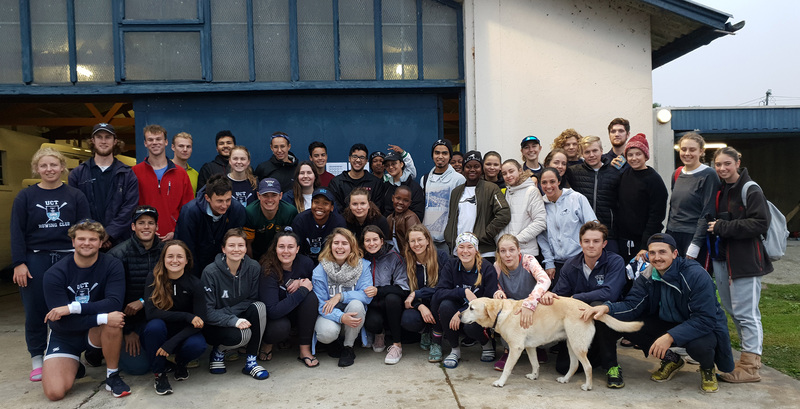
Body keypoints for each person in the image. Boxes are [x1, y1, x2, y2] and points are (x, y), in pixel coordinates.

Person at [580, 233, 735, 393]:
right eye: (652, 253)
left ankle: (707, 368)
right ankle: (671, 359)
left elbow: (705, 319)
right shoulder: (647, 275)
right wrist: (607, 308)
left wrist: (670, 337)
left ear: (674, 254)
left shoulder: (696, 275)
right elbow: (633, 305)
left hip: (697, 325)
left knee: (700, 347)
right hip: (665, 321)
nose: (657, 257)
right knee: (613, 321)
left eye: (662, 252)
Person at [11, 147, 90, 382]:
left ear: (62, 168)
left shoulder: (75, 196)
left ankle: (69, 355)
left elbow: (85, 228)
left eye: (53, 165)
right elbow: (16, 231)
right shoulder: (25, 197)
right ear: (36, 169)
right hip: (36, 258)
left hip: (69, 258)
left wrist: (84, 259)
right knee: (35, 310)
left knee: (70, 308)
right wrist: (19, 263)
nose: (49, 169)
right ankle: (37, 359)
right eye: (43, 166)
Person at [41, 221, 128, 400]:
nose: (86, 243)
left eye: (92, 239)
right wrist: (101, 317)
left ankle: (112, 376)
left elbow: (114, 303)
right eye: (81, 238)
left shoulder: (112, 264)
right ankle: (74, 364)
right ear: (73, 241)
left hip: (94, 332)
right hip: (65, 334)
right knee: (54, 393)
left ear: (101, 242)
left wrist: (72, 308)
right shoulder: (54, 273)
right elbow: (61, 322)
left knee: (114, 320)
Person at [707, 147, 772, 383]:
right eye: (718, 165)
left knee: (747, 314)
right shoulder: (723, 189)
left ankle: (750, 367)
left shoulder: (750, 189)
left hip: (745, 261)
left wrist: (722, 227)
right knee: (734, 310)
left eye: (727, 164)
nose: (722, 169)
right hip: (724, 260)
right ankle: (744, 360)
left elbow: (760, 222)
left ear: (737, 163)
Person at [539, 222, 627, 388]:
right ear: (580, 243)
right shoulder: (570, 265)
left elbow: (610, 293)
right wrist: (550, 295)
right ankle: (598, 353)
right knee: (563, 367)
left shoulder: (615, 261)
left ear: (604, 243)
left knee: (597, 305)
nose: (591, 245)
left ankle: (612, 365)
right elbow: (560, 295)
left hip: (607, 319)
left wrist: (575, 297)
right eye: (586, 241)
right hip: (580, 322)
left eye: (596, 241)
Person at [141, 240, 207, 395]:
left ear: (187, 260)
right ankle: (160, 374)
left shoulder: (195, 284)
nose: (175, 260)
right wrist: (186, 316)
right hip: (159, 333)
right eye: (170, 256)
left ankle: (180, 363)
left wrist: (171, 344)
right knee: (154, 326)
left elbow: (201, 320)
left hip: (183, 334)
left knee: (198, 345)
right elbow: (150, 313)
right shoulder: (153, 278)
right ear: (163, 259)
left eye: (179, 256)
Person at [202, 228, 269, 380]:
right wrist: (233, 319)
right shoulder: (210, 272)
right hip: (216, 324)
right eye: (232, 245)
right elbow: (207, 311)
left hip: (240, 317)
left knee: (259, 306)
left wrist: (233, 314)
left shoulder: (253, 267)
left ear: (246, 248)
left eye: (241, 245)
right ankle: (219, 350)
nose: (236, 249)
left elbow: (252, 299)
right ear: (223, 249)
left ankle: (251, 361)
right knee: (243, 335)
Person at [107, 206, 166, 375]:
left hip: (155, 316)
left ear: (156, 227)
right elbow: (113, 298)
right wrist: (127, 331)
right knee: (138, 368)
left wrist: (143, 301)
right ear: (133, 226)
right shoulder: (117, 255)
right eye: (141, 223)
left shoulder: (166, 252)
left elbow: (171, 288)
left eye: (150, 223)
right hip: (128, 321)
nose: (146, 227)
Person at [431, 232, 498, 368]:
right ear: (456, 249)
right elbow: (439, 292)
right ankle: (455, 349)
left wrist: (461, 312)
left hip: (477, 316)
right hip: (456, 313)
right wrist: (463, 291)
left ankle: (486, 343)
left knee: (470, 325)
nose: (465, 251)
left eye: (469, 247)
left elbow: (489, 300)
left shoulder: (486, 268)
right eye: (461, 247)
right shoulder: (451, 265)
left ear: (476, 250)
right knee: (445, 306)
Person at [312, 228, 376, 367]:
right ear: (330, 245)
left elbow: (366, 296)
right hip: (329, 313)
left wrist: (340, 296)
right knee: (326, 334)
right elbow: (320, 304)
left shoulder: (362, 266)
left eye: (344, 243)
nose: (340, 247)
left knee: (357, 304)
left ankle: (348, 347)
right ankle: (334, 343)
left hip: (350, 311)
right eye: (336, 243)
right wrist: (340, 317)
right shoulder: (320, 270)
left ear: (351, 246)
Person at [68, 122, 139, 248]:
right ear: (92, 141)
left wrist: (110, 233)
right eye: (99, 137)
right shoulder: (77, 174)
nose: (103, 141)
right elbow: (75, 208)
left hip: (120, 242)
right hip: (88, 242)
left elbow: (129, 208)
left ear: (115, 141)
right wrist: (94, 235)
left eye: (108, 137)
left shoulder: (127, 174)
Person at [257, 232, 319, 367]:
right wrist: (302, 290)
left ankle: (305, 350)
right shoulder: (268, 269)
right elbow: (272, 311)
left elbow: (315, 287)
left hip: (297, 313)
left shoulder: (306, 263)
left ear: (297, 249)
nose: (286, 251)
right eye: (281, 247)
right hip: (275, 318)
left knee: (311, 297)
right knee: (280, 328)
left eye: (290, 247)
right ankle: (268, 343)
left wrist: (303, 281)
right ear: (275, 249)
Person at [491, 234, 550, 371]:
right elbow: (497, 288)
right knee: (503, 308)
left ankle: (538, 347)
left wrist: (530, 303)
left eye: (511, 250)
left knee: (547, 304)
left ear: (519, 250)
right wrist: (498, 293)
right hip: (514, 308)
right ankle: (508, 350)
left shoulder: (528, 260)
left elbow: (544, 280)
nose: (507, 255)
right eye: (503, 251)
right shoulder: (498, 266)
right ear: (498, 253)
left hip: (533, 305)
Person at [174, 174, 246, 276]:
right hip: (195, 266)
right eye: (219, 201)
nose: (224, 205)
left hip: (224, 269)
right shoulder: (190, 212)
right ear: (207, 197)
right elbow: (187, 248)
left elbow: (236, 244)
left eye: (228, 200)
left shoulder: (237, 210)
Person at [444, 151, 510, 260]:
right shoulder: (456, 192)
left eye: (476, 166)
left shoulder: (491, 188)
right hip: (459, 251)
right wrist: (450, 237)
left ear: (482, 169)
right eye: (468, 166)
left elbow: (504, 214)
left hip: (483, 252)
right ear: (463, 169)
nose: (472, 170)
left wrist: (484, 235)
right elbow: (451, 218)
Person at [132, 124, 194, 241]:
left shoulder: (180, 173)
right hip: (143, 238)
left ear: (166, 142)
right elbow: (130, 207)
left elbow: (188, 209)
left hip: (173, 238)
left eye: (158, 139)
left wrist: (176, 231)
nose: (155, 142)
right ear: (145, 143)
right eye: (150, 140)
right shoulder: (134, 172)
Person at [666, 132, 720, 265]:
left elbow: (707, 212)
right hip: (673, 235)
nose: (687, 153)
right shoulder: (677, 173)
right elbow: (673, 208)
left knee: (693, 281)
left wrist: (695, 244)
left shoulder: (709, 175)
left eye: (692, 149)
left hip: (693, 236)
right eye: (683, 149)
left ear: (701, 151)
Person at [537, 167, 597, 285]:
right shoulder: (540, 204)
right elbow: (542, 236)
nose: (548, 186)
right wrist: (549, 262)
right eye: (544, 182)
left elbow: (593, 226)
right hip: (557, 264)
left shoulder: (576, 198)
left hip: (579, 260)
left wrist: (589, 256)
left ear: (559, 181)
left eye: (552, 181)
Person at [400, 224, 450, 361]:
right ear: (408, 243)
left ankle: (436, 341)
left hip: (438, 303)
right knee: (407, 319)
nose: (416, 244)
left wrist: (418, 293)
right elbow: (407, 292)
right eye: (412, 241)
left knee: (437, 299)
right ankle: (425, 331)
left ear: (427, 240)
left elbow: (444, 287)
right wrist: (420, 306)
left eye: (420, 240)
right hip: (421, 306)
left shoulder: (441, 257)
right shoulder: (407, 261)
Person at [566, 135, 622, 255]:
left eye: (595, 151)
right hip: (582, 234)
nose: (591, 155)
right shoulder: (573, 172)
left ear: (602, 151)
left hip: (609, 233)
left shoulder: (615, 173)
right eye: (587, 152)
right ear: (582, 154)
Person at [362, 226, 410, 364]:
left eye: (375, 239)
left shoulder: (394, 257)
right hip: (371, 304)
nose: (372, 243)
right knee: (372, 323)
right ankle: (379, 333)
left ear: (382, 241)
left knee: (392, 298)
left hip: (390, 304)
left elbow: (403, 289)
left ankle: (397, 345)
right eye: (367, 240)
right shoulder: (361, 258)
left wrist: (379, 290)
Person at [616, 134, 668, 262]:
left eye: (638, 154)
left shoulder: (654, 180)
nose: (634, 158)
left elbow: (656, 216)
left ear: (645, 156)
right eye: (630, 154)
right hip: (623, 240)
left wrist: (645, 245)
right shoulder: (624, 174)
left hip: (643, 243)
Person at [421, 139, 466, 253]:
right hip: (428, 240)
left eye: (444, 153)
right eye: (437, 152)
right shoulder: (425, 179)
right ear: (432, 155)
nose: (440, 156)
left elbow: (462, 211)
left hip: (448, 241)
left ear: (450, 156)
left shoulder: (458, 179)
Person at [497, 159, 546, 257]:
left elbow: (540, 221)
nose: (508, 176)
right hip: (507, 253)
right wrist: (501, 241)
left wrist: (515, 240)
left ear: (520, 170)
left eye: (511, 171)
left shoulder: (531, 191)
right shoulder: (506, 192)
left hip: (526, 253)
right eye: (504, 173)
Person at [243, 178, 298, 262]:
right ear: (258, 195)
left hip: (281, 255)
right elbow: (248, 243)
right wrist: (252, 264)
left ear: (280, 196)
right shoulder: (250, 212)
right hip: (257, 255)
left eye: (274, 195)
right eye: (265, 195)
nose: (269, 199)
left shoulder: (289, 211)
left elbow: (291, 242)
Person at [290, 187, 347, 263]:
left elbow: (341, 249)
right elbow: (296, 248)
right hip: (304, 261)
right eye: (316, 202)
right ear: (311, 204)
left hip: (331, 261)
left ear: (332, 207)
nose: (320, 207)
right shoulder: (300, 220)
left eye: (325, 203)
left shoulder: (339, 223)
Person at [328, 143, 387, 211]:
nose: (358, 160)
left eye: (362, 157)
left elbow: (378, 208)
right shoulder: (336, 183)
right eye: (355, 156)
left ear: (366, 161)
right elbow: (336, 208)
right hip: (344, 221)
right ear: (349, 158)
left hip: (369, 221)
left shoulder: (376, 183)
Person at [381, 151, 425, 220]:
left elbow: (418, 214)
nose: (391, 167)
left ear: (401, 164)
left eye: (394, 164)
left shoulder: (414, 187)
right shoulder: (385, 186)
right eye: (387, 165)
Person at [386, 185, 421, 255]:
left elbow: (414, 242)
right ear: (393, 198)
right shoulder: (389, 218)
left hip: (407, 257)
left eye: (406, 200)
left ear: (410, 203)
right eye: (398, 198)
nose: (401, 202)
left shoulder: (410, 218)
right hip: (394, 257)